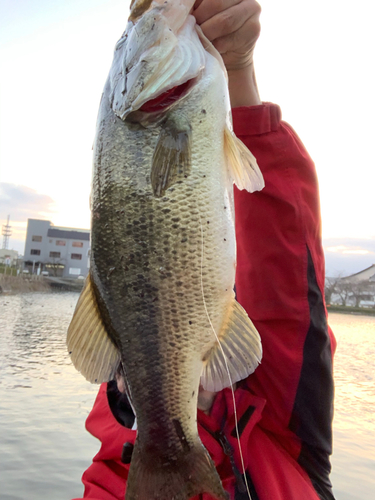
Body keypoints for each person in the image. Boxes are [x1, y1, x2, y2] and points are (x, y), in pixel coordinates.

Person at [73, 1, 336, 499]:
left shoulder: (283, 424)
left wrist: (238, 71)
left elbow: (283, 272)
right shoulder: (113, 474)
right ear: (120, 383)